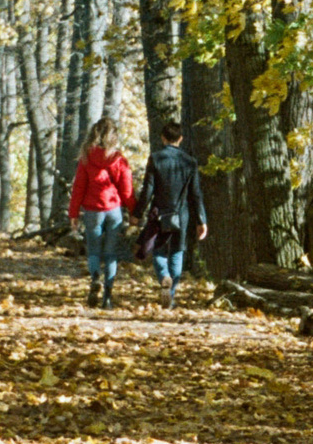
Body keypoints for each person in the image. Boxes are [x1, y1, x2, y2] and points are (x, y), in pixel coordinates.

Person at [137, 120, 209, 311]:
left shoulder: (156, 158)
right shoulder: (190, 162)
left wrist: (136, 213)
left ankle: (164, 277)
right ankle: (171, 293)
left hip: (159, 214)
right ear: (181, 139)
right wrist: (202, 220)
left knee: (159, 251)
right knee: (177, 252)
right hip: (182, 215)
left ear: (163, 138)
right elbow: (196, 194)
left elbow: (147, 190)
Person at [66, 117, 134, 309]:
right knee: (111, 254)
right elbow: (127, 190)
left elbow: (78, 187)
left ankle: (95, 277)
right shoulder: (119, 159)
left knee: (94, 250)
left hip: (92, 210)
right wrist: (134, 211)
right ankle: (108, 297)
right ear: (113, 136)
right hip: (113, 210)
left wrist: (73, 214)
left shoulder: (86, 157)